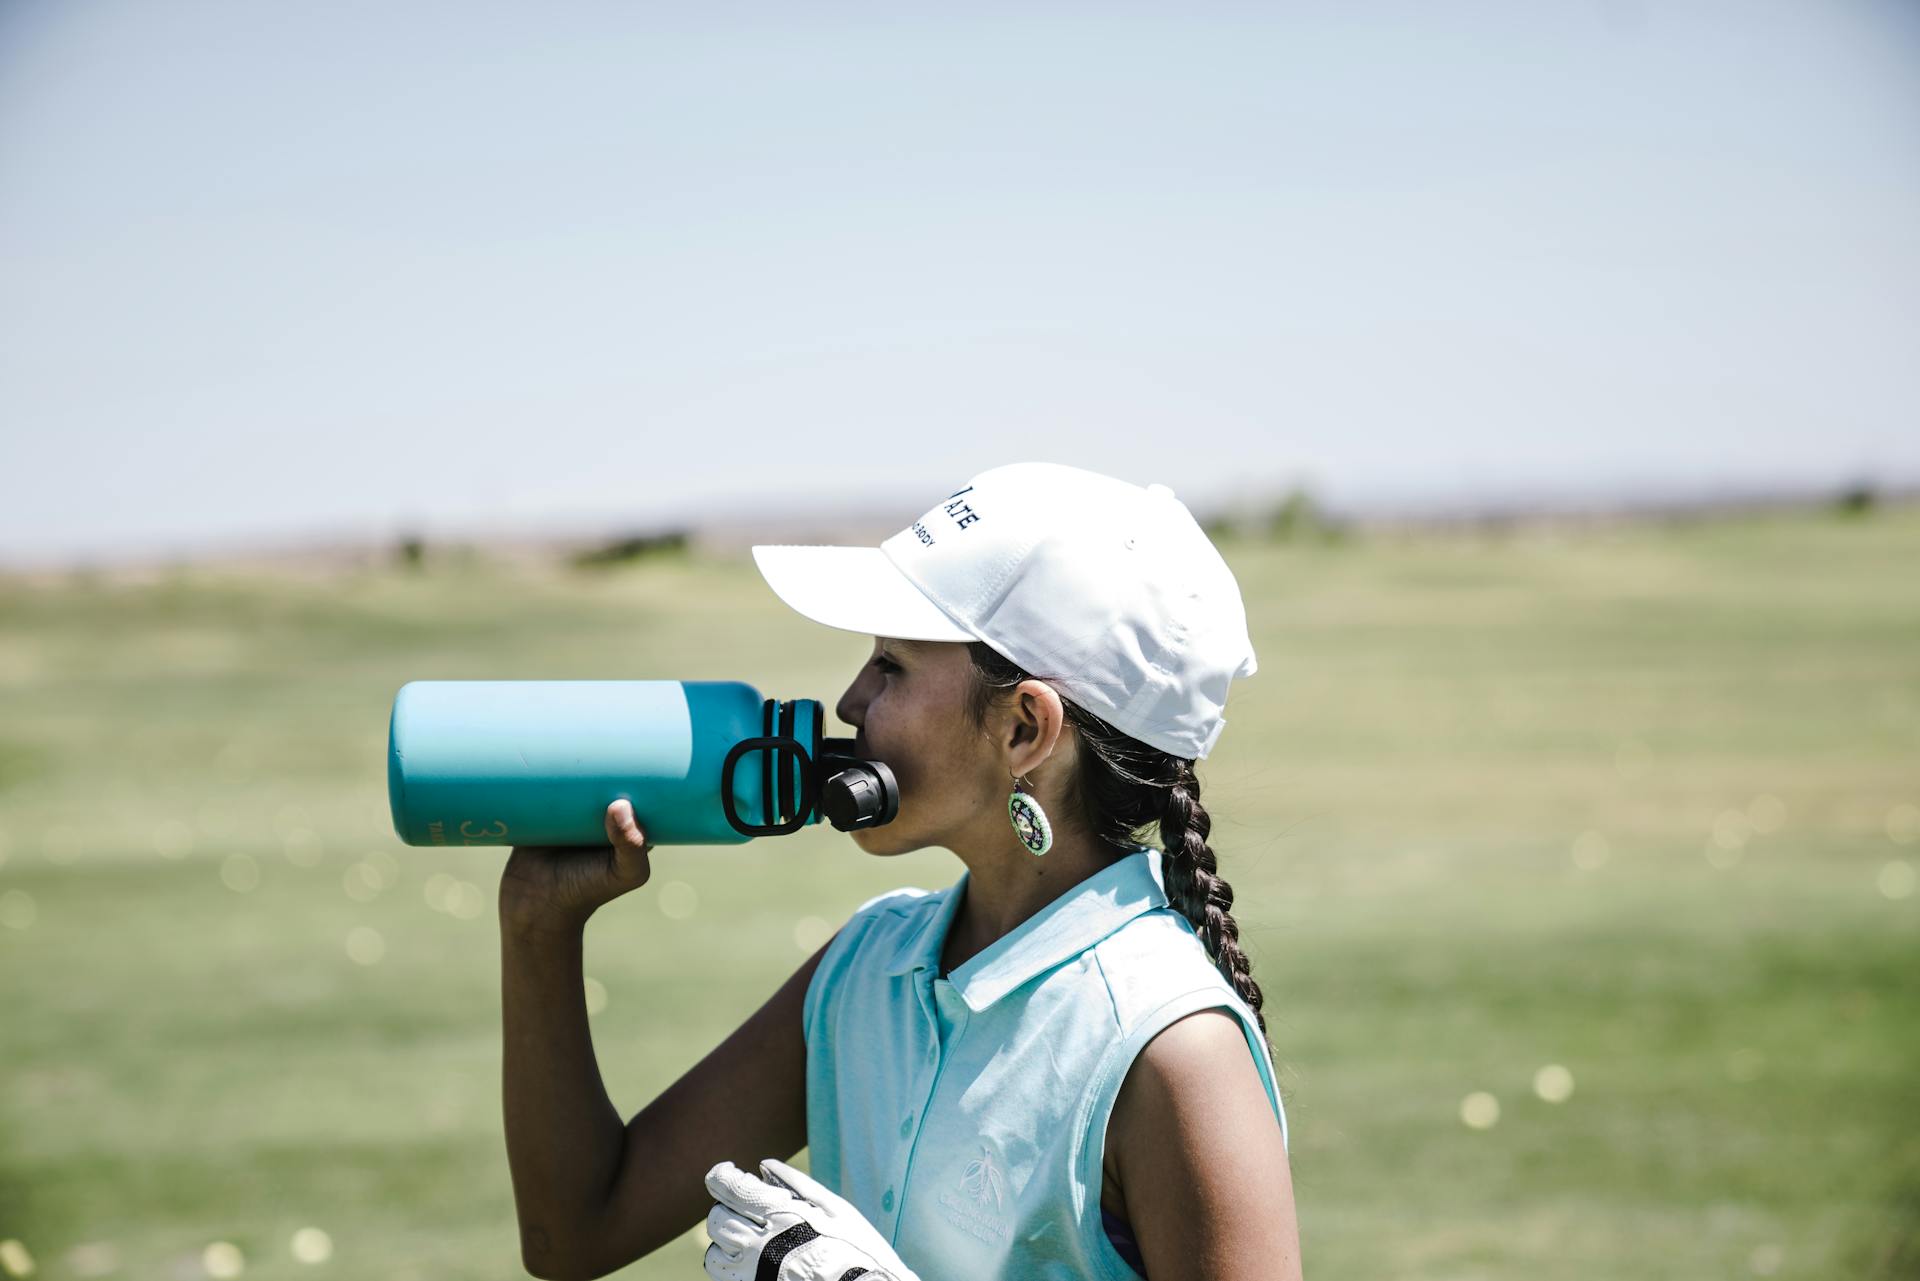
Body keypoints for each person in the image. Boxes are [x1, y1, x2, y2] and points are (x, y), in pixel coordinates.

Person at [499, 461, 1302, 1281]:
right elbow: (576, 1231)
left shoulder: (1175, 1048)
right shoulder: (866, 968)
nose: (849, 700)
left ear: (1026, 728)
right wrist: (538, 923)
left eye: (892, 665)